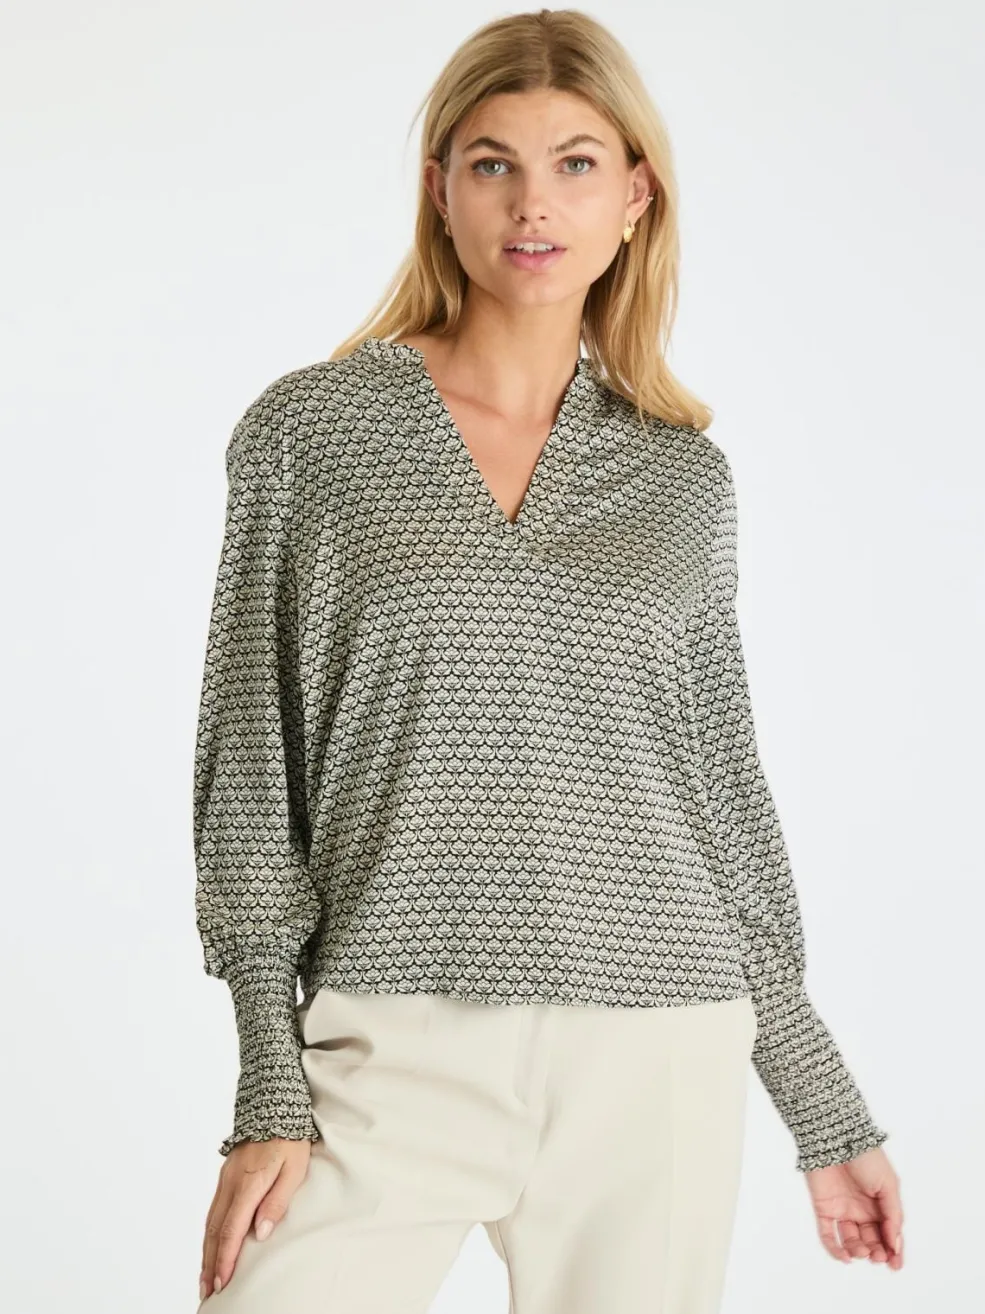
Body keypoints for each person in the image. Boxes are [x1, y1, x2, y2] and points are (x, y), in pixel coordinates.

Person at [191, 9, 903, 1311]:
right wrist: (268, 1084)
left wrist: (821, 1100)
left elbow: (723, 795)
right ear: (439, 191)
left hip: (659, 1052)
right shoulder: (312, 434)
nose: (534, 203)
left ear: (636, 195)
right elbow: (248, 772)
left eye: (576, 163)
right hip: (393, 1035)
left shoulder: (683, 479)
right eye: (493, 163)